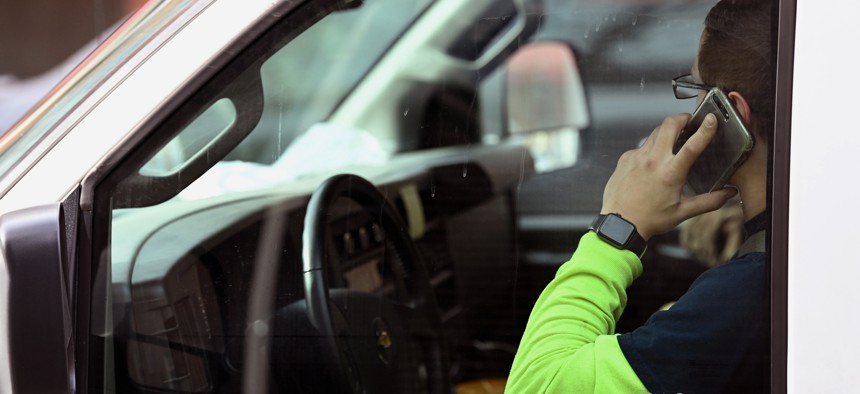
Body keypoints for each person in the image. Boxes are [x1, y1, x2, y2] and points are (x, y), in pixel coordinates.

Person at [507, 0, 774, 392]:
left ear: (731, 111)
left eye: (697, 90)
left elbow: (538, 383)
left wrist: (617, 226)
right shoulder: (794, 254)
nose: (693, 109)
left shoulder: (749, 293)